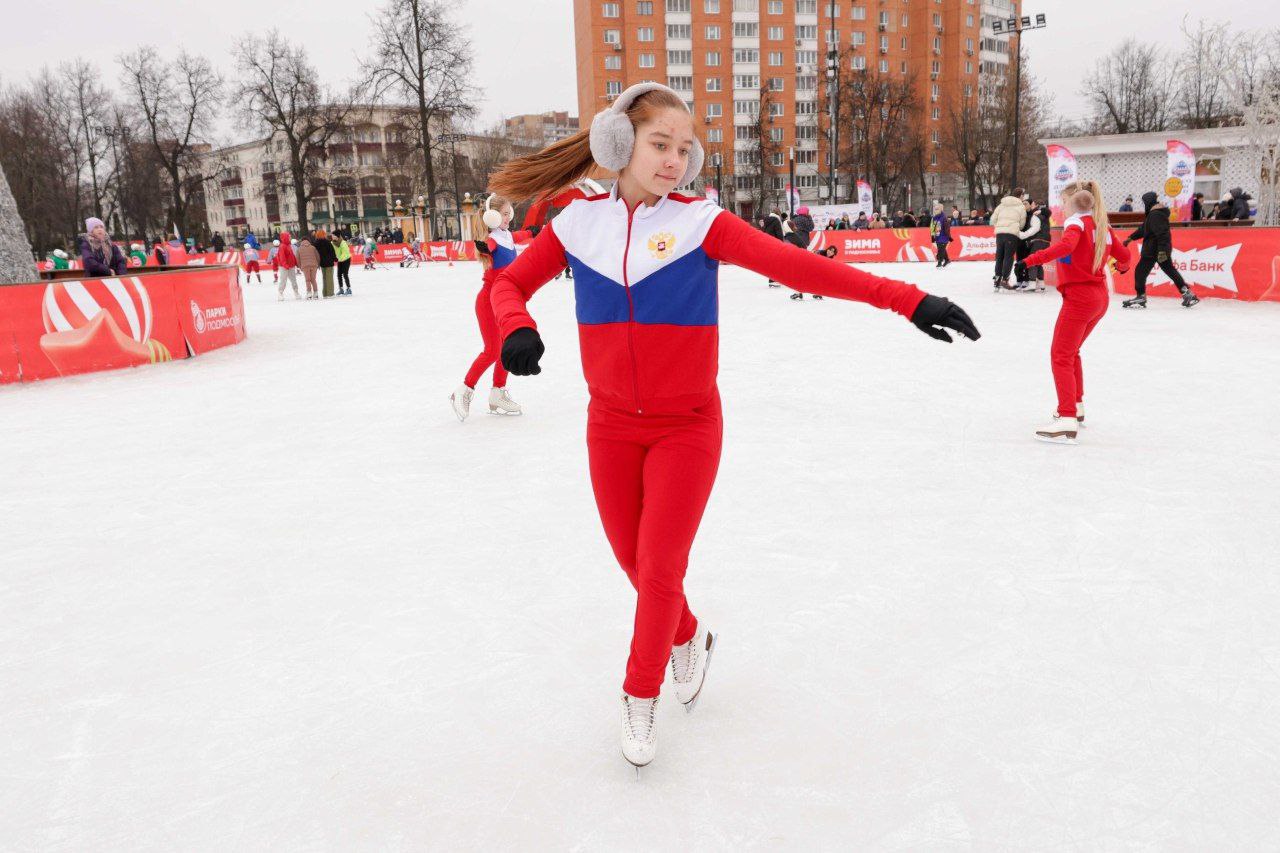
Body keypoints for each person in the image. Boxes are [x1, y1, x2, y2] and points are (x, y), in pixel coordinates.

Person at [486, 81, 980, 769]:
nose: (672, 159)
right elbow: (504, 285)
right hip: (610, 428)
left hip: (687, 425)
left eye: (683, 148)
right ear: (619, 144)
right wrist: (517, 326)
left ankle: (639, 692)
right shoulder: (577, 225)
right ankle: (689, 635)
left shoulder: (700, 224)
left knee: (659, 566)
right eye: (660, 143)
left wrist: (909, 298)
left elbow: (803, 266)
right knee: (635, 565)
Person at [1022, 179, 1130, 445]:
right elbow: (1125, 256)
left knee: (1060, 355)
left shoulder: (1076, 223)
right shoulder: (1102, 226)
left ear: (1073, 201)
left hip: (1081, 298)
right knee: (1071, 352)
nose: (1061, 207)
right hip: (1098, 299)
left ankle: (1066, 418)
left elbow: (1066, 247)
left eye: (1063, 202)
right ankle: (1076, 406)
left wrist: (1030, 260)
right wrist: (1122, 267)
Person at [450, 194, 537, 421]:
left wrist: (532, 232)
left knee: (507, 347)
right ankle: (463, 390)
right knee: (492, 350)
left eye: (510, 213)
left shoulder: (506, 235)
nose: (508, 218)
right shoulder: (493, 240)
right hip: (489, 302)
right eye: (504, 214)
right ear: (493, 216)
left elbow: (517, 235)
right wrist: (484, 249)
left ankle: (498, 392)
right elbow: (487, 247)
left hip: (505, 301)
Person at [1122, 191, 1199, 309]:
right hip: (1157, 249)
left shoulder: (1156, 214)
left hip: (1154, 250)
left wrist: (1162, 251)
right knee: (1170, 270)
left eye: (1144, 202)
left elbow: (1162, 234)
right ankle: (1187, 293)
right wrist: (1130, 238)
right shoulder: (1154, 214)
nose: (1144, 205)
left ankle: (1141, 296)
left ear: (1148, 202)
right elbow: (1143, 229)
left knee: (1140, 271)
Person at [990, 189, 1027, 291]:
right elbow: (1022, 223)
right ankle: (1005, 279)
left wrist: (999, 226)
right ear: (1020, 196)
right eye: (1023, 195)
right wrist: (1016, 227)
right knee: (1008, 257)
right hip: (1011, 234)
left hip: (1000, 234)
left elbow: (993, 219)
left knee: (999, 257)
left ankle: (997, 279)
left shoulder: (1001, 205)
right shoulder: (1020, 206)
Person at [1020, 200, 1051, 293]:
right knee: (1039, 262)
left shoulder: (1036, 215)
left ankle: (1032, 283)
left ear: (1034, 204)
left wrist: (1022, 234)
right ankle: (1041, 283)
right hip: (1045, 241)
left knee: (1033, 261)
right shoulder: (1042, 214)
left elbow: (1034, 229)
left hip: (1038, 241)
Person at [275, 232, 301, 301]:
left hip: (291, 266)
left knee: (293, 280)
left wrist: (296, 263)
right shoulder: (282, 246)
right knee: (283, 280)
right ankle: (280, 294)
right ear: (285, 237)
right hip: (284, 267)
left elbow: (292, 255)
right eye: (289, 237)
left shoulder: (289, 245)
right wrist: (285, 265)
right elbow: (282, 257)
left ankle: (296, 293)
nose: (290, 238)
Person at [313, 229, 337, 297]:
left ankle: (325, 293)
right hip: (329, 262)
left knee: (324, 278)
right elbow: (332, 252)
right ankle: (330, 293)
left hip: (321, 263)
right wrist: (335, 259)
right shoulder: (327, 242)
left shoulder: (315, 243)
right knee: (329, 278)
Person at [296, 234, 320, 299]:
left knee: (307, 280)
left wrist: (299, 266)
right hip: (314, 265)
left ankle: (309, 293)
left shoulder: (299, 249)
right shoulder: (313, 247)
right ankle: (316, 293)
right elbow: (317, 256)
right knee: (313, 279)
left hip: (305, 266)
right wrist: (318, 264)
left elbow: (297, 259)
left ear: (302, 241)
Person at [930, 201, 952, 268]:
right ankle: (947, 260)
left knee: (940, 249)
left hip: (944, 236)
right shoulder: (934, 218)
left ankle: (939, 262)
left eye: (937, 209)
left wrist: (948, 237)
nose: (935, 210)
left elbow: (947, 228)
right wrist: (932, 236)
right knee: (942, 249)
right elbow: (932, 227)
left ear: (941, 209)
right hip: (937, 236)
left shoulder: (944, 218)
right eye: (935, 209)